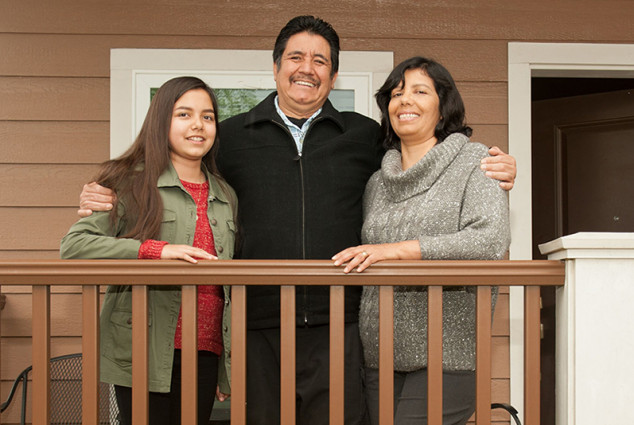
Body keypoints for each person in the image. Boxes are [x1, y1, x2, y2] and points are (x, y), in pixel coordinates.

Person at [77, 16, 516, 425]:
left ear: (333, 74)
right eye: (296, 57)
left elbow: (422, 152)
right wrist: (107, 192)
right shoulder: (228, 137)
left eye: (320, 60)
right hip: (256, 326)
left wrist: (495, 166)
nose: (307, 68)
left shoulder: (364, 136)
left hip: (343, 328)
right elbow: (172, 169)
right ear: (275, 67)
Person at [332, 56, 511, 425]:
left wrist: (395, 251)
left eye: (419, 91)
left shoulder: (476, 162)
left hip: (449, 352)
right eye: (396, 94)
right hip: (379, 353)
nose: (405, 100)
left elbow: (490, 240)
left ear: (443, 107)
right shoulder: (376, 184)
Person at [61, 76, 237, 425]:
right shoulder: (129, 181)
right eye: (184, 114)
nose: (198, 125)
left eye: (208, 116)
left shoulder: (225, 194)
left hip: (205, 350)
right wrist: (155, 250)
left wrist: (225, 367)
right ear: (161, 122)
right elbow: (74, 246)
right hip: (144, 346)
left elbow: (224, 286)